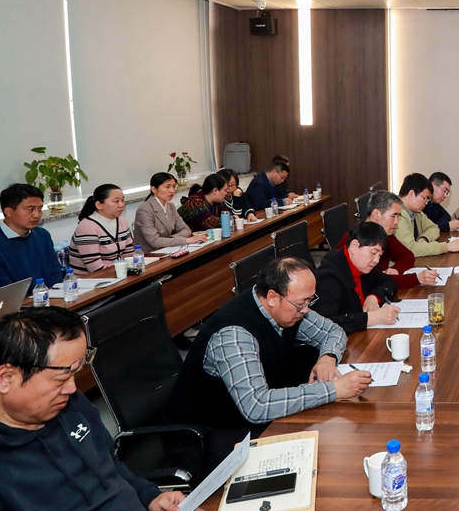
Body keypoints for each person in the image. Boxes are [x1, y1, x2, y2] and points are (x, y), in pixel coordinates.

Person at [0, 307, 184, 511]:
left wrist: (148, 496)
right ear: (7, 377)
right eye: (61, 379)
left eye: (75, 372)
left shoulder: (66, 404)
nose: (72, 388)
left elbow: (108, 465)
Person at [165, 257, 371, 476]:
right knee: (311, 459)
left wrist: (327, 358)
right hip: (206, 437)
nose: (305, 310)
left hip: (245, 418)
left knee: (328, 436)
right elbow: (257, 406)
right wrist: (333, 390)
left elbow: (333, 331)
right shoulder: (234, 334)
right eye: (301, 303)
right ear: (272, 297)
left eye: (310, 301)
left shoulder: (286, 308)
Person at [313, 222, 401, 333]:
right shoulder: (329, 277)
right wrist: (374, 317)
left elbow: (389, 281)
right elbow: (326, 325)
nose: (377, 260)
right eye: (373, 253)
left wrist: (374, 297)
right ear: (354, 246)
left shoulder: (362, 266)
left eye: (380, 255)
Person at [343, 191, 438, 288]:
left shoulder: (386, 235)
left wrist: (396, 270)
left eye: (398, 216)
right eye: (393, 216)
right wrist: (416, 279)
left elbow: (407, 255)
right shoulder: (357, 239)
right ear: (377, 214)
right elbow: (373, 281)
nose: (396, 222)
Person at [0, 184, 63, 289]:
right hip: (20, 299)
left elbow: (55, 271)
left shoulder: (42, 235)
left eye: (39, 209)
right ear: (9, 212)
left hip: (52, 295)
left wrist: (55, 291)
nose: (37, 215)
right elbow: (5, 289)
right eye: (30, 209)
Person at [67, 184, 134, 274]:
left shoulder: (122, 221)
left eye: (122, 200)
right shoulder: (87, 227)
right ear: (99, 205)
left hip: (119, 274)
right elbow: (95, 268)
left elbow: (129, 254)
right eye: (116, 201)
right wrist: (123, 272)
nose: (121, 205)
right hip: (92, 279)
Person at [394, 173, 459, 258]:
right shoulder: (396, 215)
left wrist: (425, 238)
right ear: (411, 194)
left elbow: (434, 227)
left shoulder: (417, 212)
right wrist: (447, 247)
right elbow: (410, 249)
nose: (426, 203)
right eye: (425, 198)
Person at [134, 172, 206, 252]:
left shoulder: (170, 206)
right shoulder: (144, 210)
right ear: (154, 189)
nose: (172, 190)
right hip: (149, 255)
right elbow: (154, 241)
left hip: (168, 250)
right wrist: (185, 240)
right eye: (167, 187)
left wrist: (170, 240)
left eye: (174, 186)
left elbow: (186, 229)